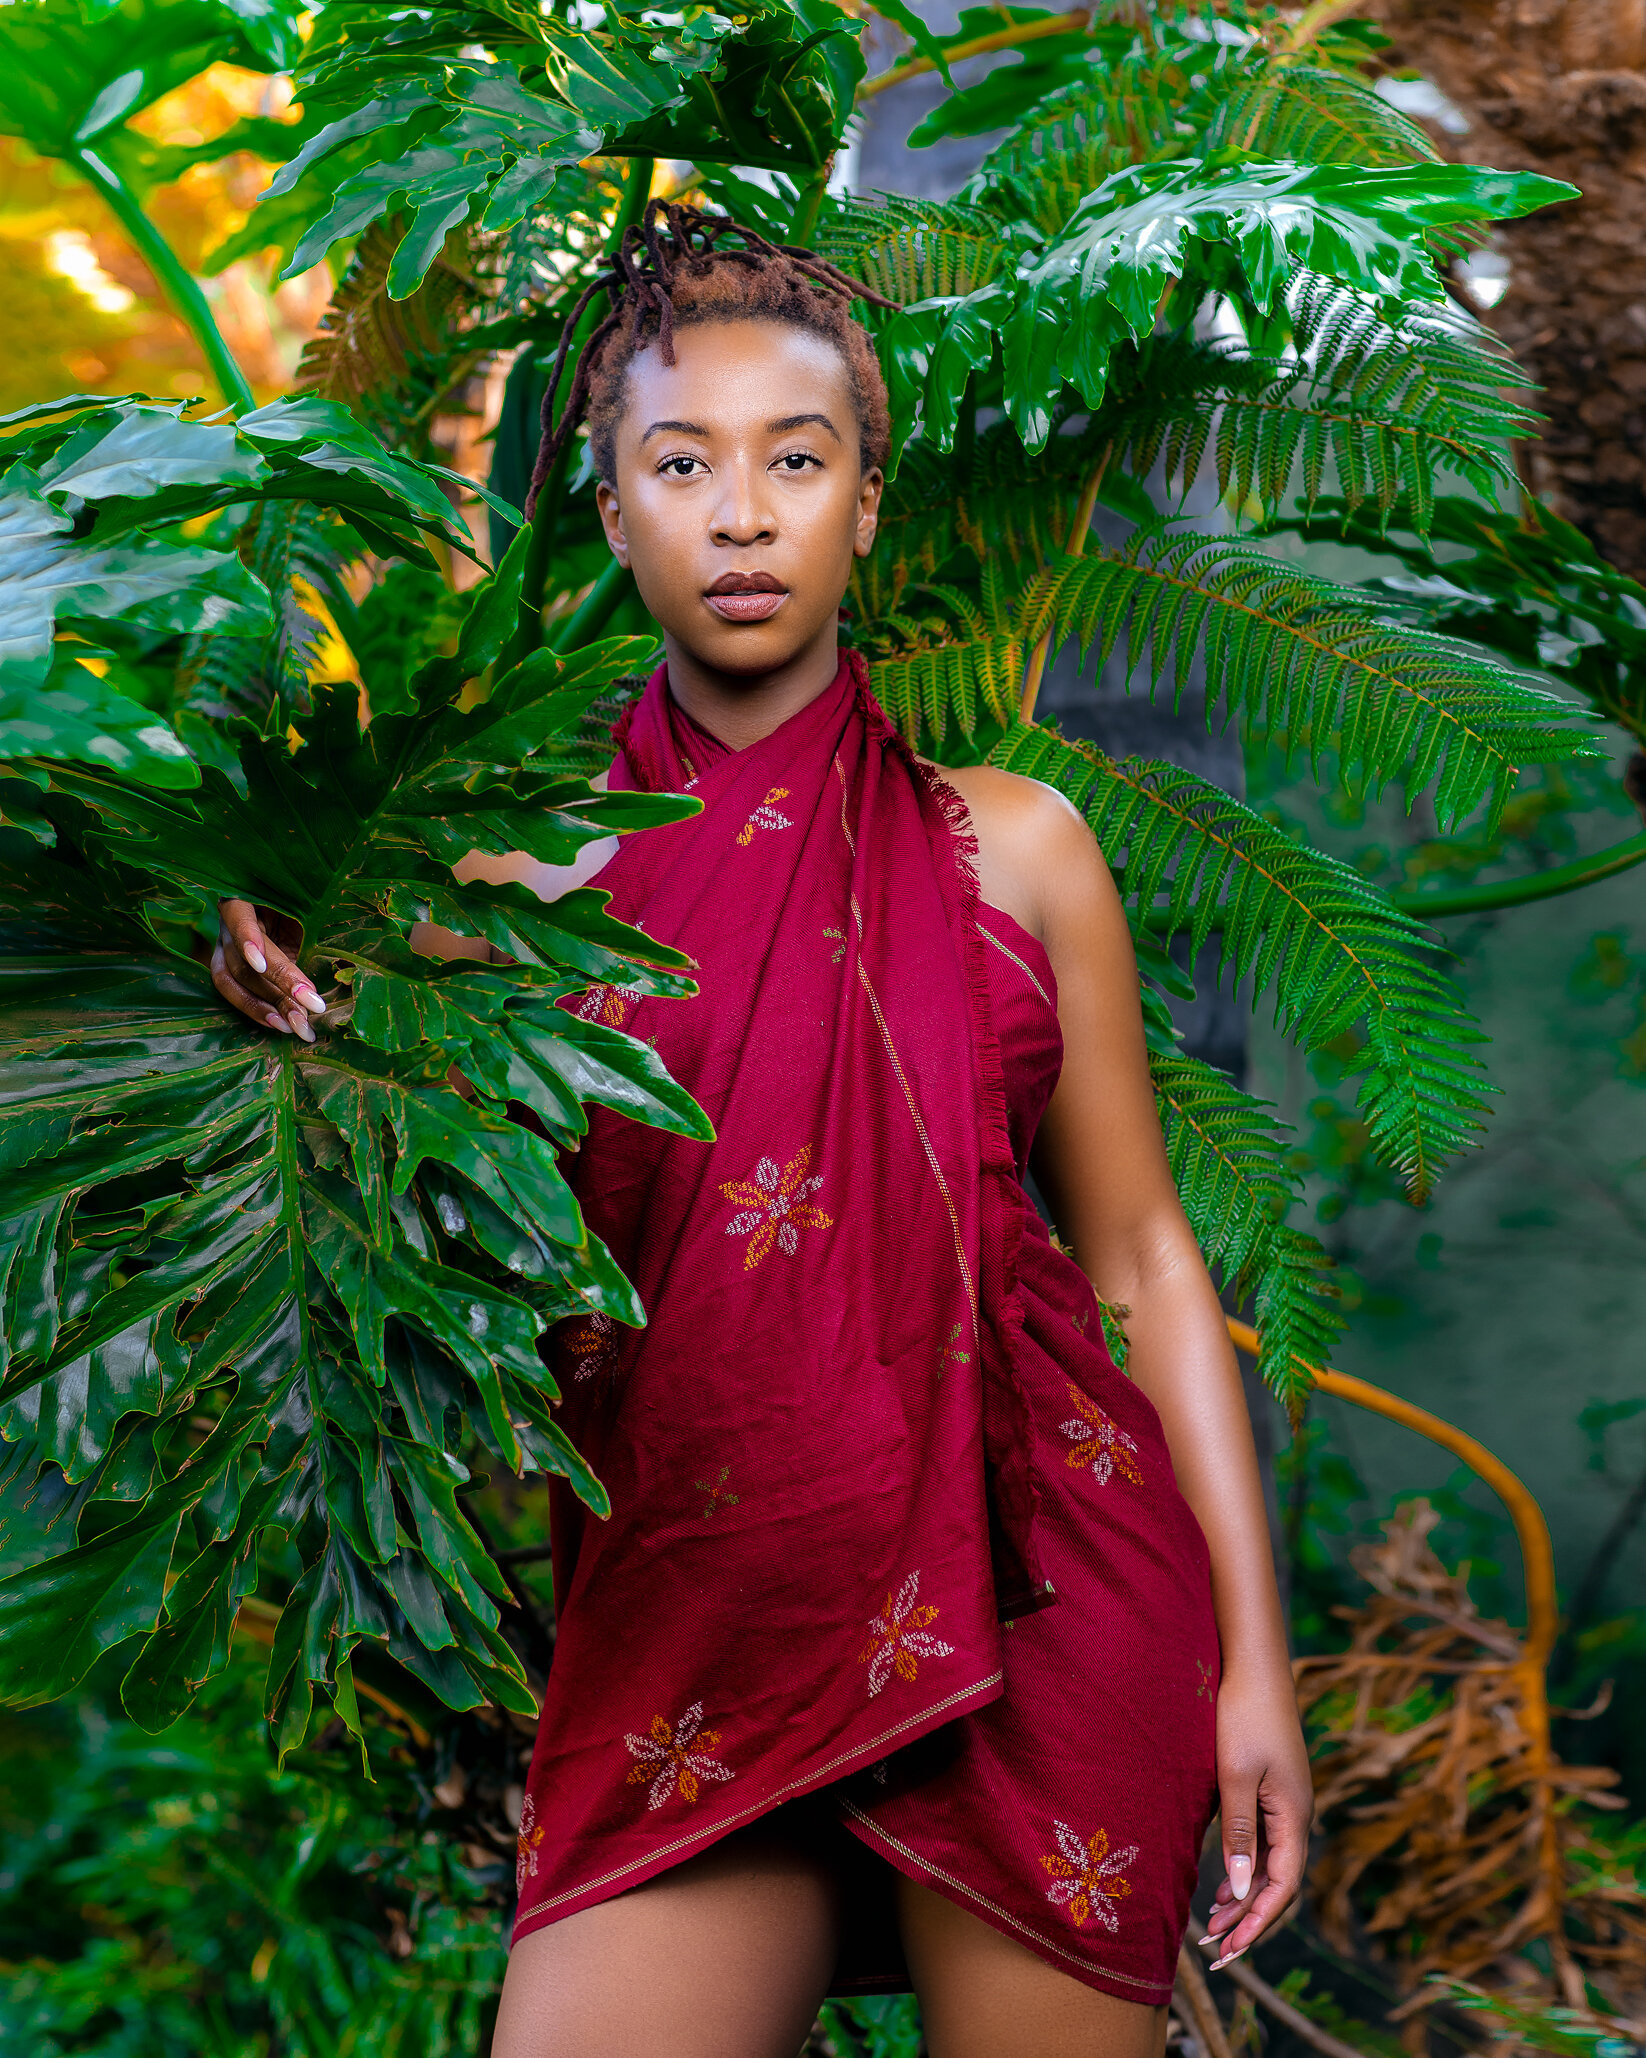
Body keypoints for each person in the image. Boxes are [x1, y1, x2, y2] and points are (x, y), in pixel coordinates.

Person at [213, 204, 1311, 2058]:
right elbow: (280, 1088)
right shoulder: (493, 882)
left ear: (863, 502)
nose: (741, 513)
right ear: (615, 506)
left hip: (1043, 1599)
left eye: (795, 461)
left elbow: (1140, 1257)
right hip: (691, 1616)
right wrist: (235, 944)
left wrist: (1255, 1669)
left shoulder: (1019, 844)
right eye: (682, 463)